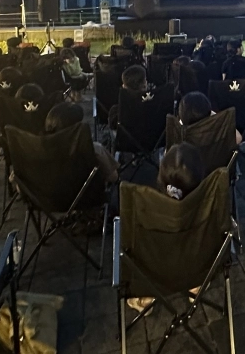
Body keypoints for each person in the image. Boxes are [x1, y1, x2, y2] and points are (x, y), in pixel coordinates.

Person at [126, 143, 207, 313]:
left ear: (161, 175)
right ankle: (195, 288)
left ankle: (145, 299)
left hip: (156, 271)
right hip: (194, 266)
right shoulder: (207, 205)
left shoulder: (145, 208)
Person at [44, 102, 118, 183]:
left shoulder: (39, 151)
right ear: (77, 129)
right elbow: (113, 177)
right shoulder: (94, 149)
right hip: (88, 190)